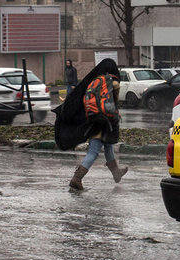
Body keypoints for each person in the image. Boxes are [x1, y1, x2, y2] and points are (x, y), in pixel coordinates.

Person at [54, 58, 128, 191]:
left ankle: (116, 173)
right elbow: (115, 102)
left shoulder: (95, 81)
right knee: (93, 151)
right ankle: (77, 178)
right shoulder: (114, 82)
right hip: (106, 121)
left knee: (108, 146)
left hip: (95, 119)